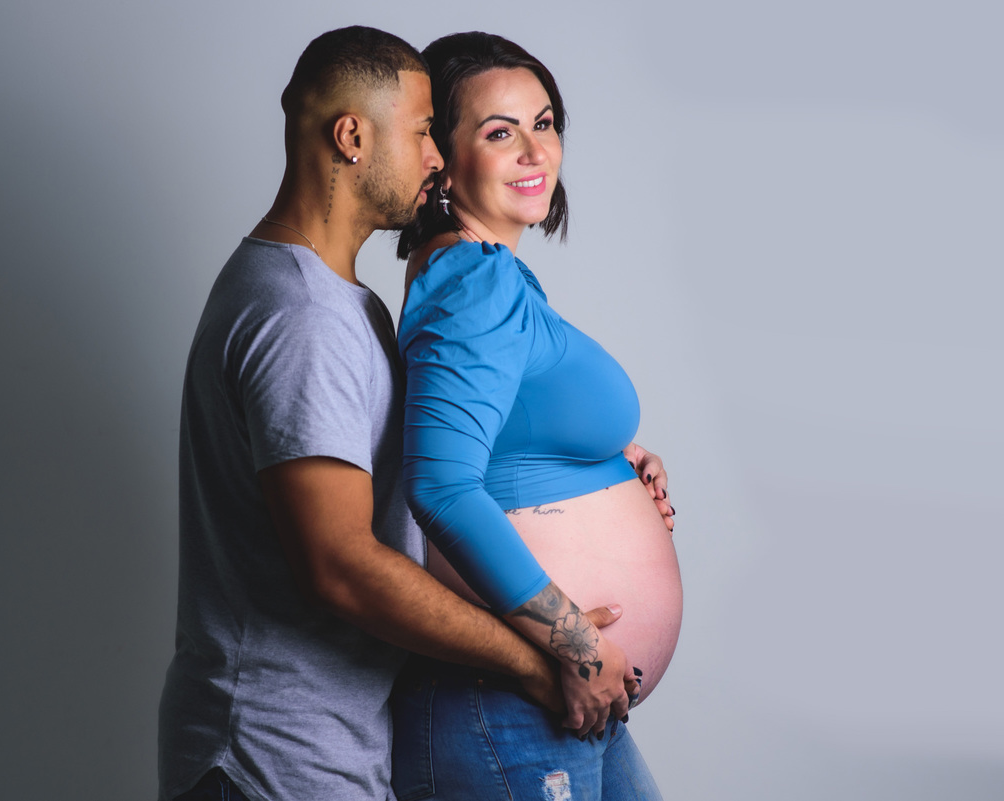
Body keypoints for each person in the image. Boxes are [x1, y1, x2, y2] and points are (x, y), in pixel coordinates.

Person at [157, 26, 640, 801]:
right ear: (352, 137)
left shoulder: (343, 304)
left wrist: (607, 472)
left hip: (327, 744)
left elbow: (452, 443)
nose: (437, 159)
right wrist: (544, 656)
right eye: (423, 132)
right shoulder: (302, 317)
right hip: (270, 754)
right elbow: (342, 565)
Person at [390, 32, 683, 800]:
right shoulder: (475, 283)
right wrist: (581, 645)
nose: (534, 151)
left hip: (548, 701)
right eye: (499, 132)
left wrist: (612, 460)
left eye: (544, 123)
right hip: (512, 698)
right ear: (440, 157)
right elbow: (442, 487)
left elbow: (505, 430)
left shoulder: (494, 278)